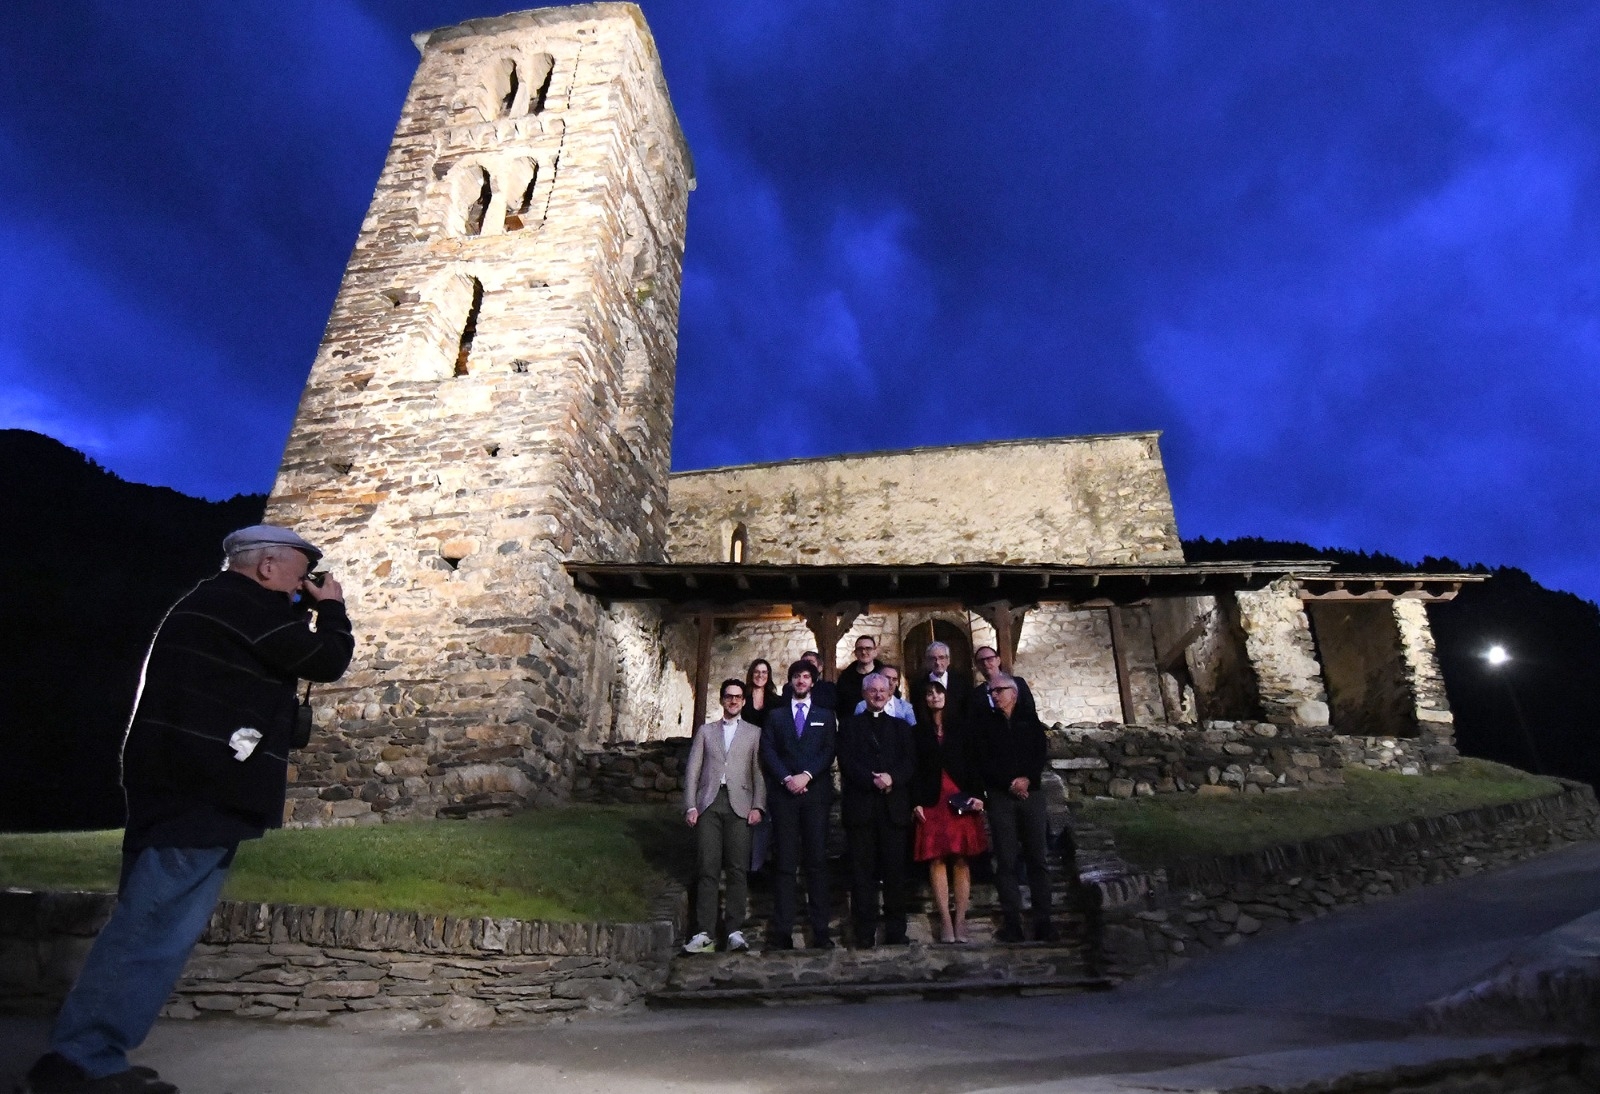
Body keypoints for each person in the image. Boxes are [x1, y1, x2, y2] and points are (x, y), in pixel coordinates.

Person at [27, 524, 354, 1094]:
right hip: (202, 786)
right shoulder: (245, 604)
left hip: (177, 779)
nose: (305, 584)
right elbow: (324, 659)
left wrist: (302, 605)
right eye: (300, 573)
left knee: (147, 916)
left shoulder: (216, 603)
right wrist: (331, 610)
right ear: (267, 567)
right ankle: (81, 1060)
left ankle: (88, 1052)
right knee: (154, 926)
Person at [682, 680, 766, 954]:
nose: (733, 701)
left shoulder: (754, 733)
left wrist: (758, 806)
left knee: (737, 868)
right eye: (728, 696)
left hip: (740, 804)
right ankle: (704, 931)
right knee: (707, 867)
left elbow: (758, 772)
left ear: (743, 702)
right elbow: (693, 770)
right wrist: (690, 805)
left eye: (738, 697)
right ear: (721, 700)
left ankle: (734, 931)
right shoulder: (706, 732)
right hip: (709, 802)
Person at [971, 673, 1055, 943]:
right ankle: (1013, 923)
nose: (994, 695)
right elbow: (983, 760)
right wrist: (1008, 783)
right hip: (1001, 796)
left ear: (1014, 693)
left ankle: (1044, 921)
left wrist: (1027, 779)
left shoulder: (1029, 722)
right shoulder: (985, 725)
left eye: (999, 690)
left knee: (1037, 859)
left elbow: (1038, 753)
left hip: (1032, 794)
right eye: (991, 692)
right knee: (1006, 861)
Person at [759, 660, 838, 949]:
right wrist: (786, 777)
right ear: (790, 681)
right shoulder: (776, 716)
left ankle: (820, 931)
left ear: (813, 682)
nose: (802, 681)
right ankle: (782, 931)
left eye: (806, 676)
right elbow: (767, 749)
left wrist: (806, 775)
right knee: (785, 864)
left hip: (815, 795)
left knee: (817, 863)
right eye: (797, 676)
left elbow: (829, 750)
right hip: (784, 796)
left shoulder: (825, 716)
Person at [836, 673, 915, 947]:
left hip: (893, 810)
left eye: (883, 690)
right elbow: (846, 761)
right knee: (862, 875)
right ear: (864, 694)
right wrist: (873, 780)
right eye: (873, 691)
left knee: (895, 874)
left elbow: (910, 762)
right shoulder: (848, 727)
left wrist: (892, 777)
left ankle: (896, 931)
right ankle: (864, 933)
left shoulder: (902, 727)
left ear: (890, 692)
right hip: (862, 809)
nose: (879, 695)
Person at [911, 680, 988, 944]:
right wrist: (915, 801)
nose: (934, 696)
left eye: (938, 692)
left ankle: (961, 919)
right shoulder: (917, 731)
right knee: (936, 859)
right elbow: (913, 769)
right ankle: (945, 920)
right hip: (932, 799)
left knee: (962, 858)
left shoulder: (963, 728)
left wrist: (979, 795)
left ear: (947, 695)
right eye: (929, 693)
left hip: (960, 796)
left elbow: (975, 762)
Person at [911, 641, 972, 727]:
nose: (938, 662)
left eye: (941, 658)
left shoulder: (962, 683)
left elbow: (967, 711)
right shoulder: (918, 685)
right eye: (933, 658)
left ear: (948, 660)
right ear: (927, 661)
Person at [973, 645, 1037, 721]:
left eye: (989, 659)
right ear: (977, 666)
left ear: (998, 660)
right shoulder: (977, 694)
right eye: (981, 661)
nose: (985, 663)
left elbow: (1030, 710)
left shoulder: (1019, 683)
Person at [833, 635, 883, 721]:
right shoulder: (845, 678)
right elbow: (840, 705)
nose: (864, 652)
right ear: (855, 652)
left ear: (875, 651)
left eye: (868, 648)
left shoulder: (885, 676)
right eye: (860, 649)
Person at [741, 658, 781, 728]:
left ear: (768, 675)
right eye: (756, 672)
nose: (760, 675)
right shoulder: (742, 696)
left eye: (764, 672)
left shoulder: (776, 700)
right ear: (751, 674)